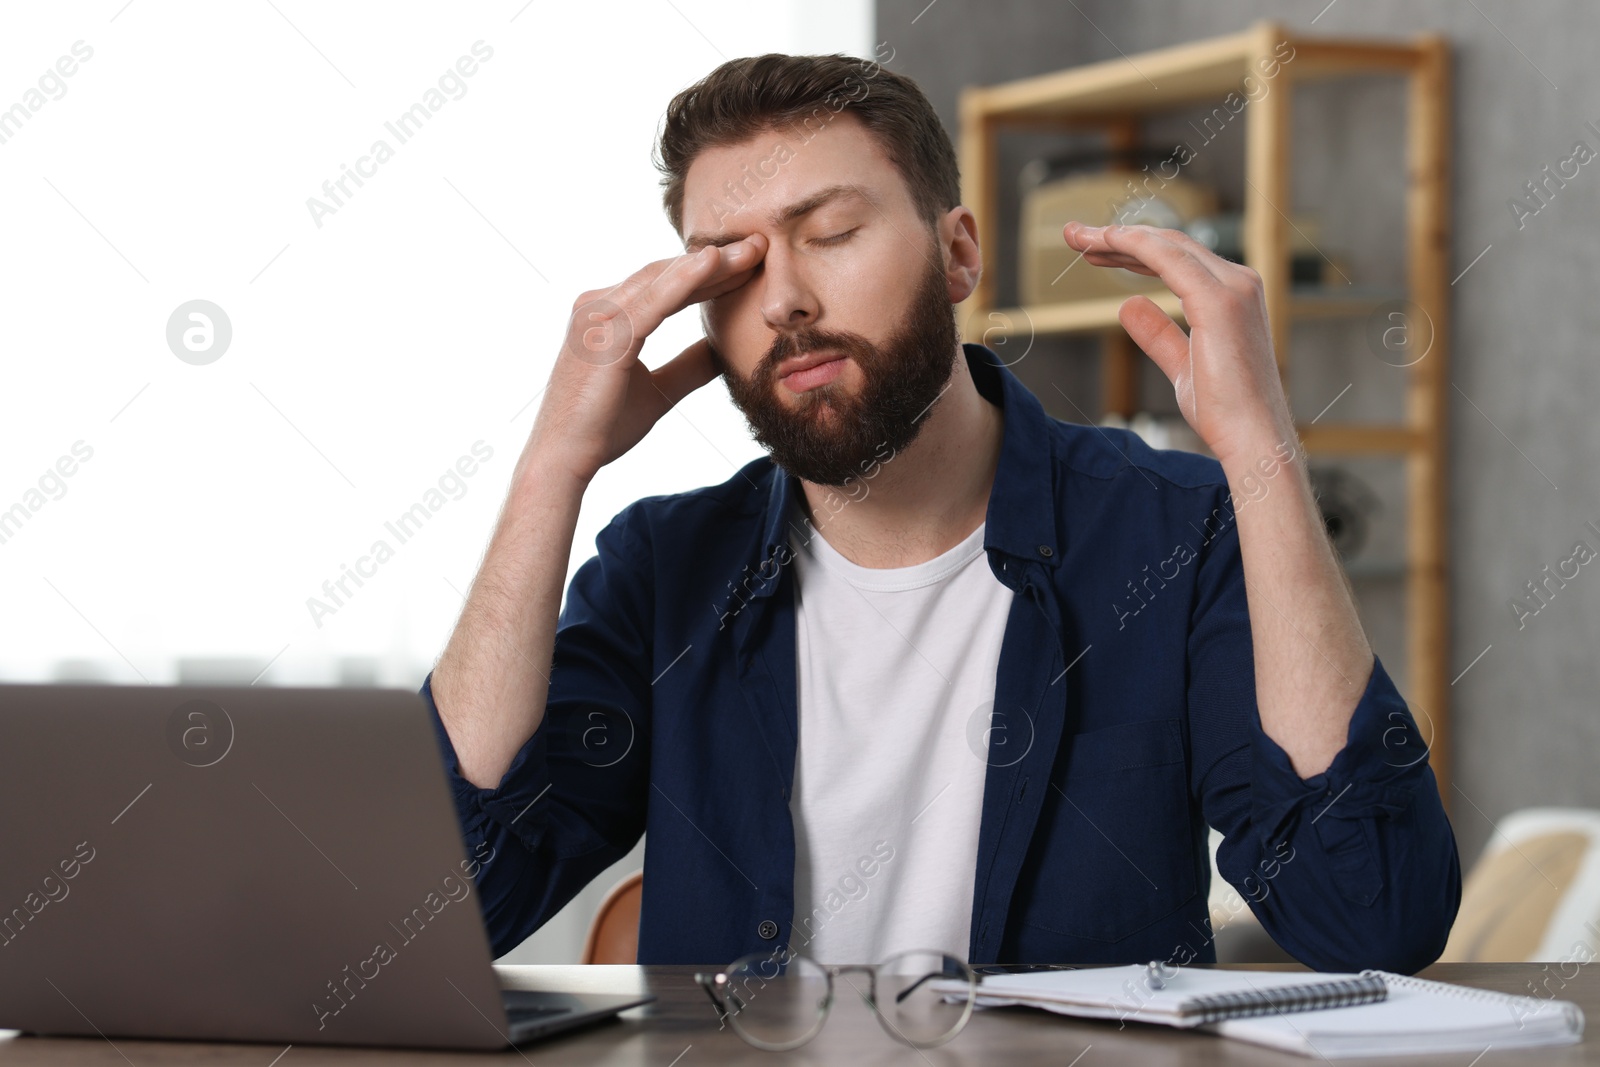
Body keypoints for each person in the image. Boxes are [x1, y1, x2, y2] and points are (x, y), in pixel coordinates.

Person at [420, 51, 1460, 971]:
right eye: (728, 264)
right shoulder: (662, 566)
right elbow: (447, 910)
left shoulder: (1174, 529)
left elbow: (1372, 914)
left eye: (827, 232)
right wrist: (553, 466)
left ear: (959, 253)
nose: (780, 298)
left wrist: (1260, 458)